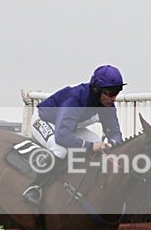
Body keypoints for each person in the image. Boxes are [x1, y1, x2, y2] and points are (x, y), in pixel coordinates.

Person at [24, 64, 126, 204]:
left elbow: (115, 133)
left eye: (117, 92)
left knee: (97, 141)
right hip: (43, 120)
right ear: (96, 89)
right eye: (110, 92)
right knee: (60, 149)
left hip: (70, 125)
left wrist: (113, 144)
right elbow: (62, 136)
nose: (114, 98)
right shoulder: (75, 99)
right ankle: (35, 187)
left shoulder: (107, 105)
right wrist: (90, 147)